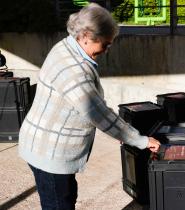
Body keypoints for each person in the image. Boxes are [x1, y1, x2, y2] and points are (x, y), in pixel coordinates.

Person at [18, 3, 160, 210]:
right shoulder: (74, 69)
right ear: (85, 35)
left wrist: (123, 135)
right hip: (49, 151)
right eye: (105, 44)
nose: (106, 50)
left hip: (43, 143)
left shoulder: (66, 46)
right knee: (58, 204)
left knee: (66, 196)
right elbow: (98, 113)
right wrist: (140, 140)